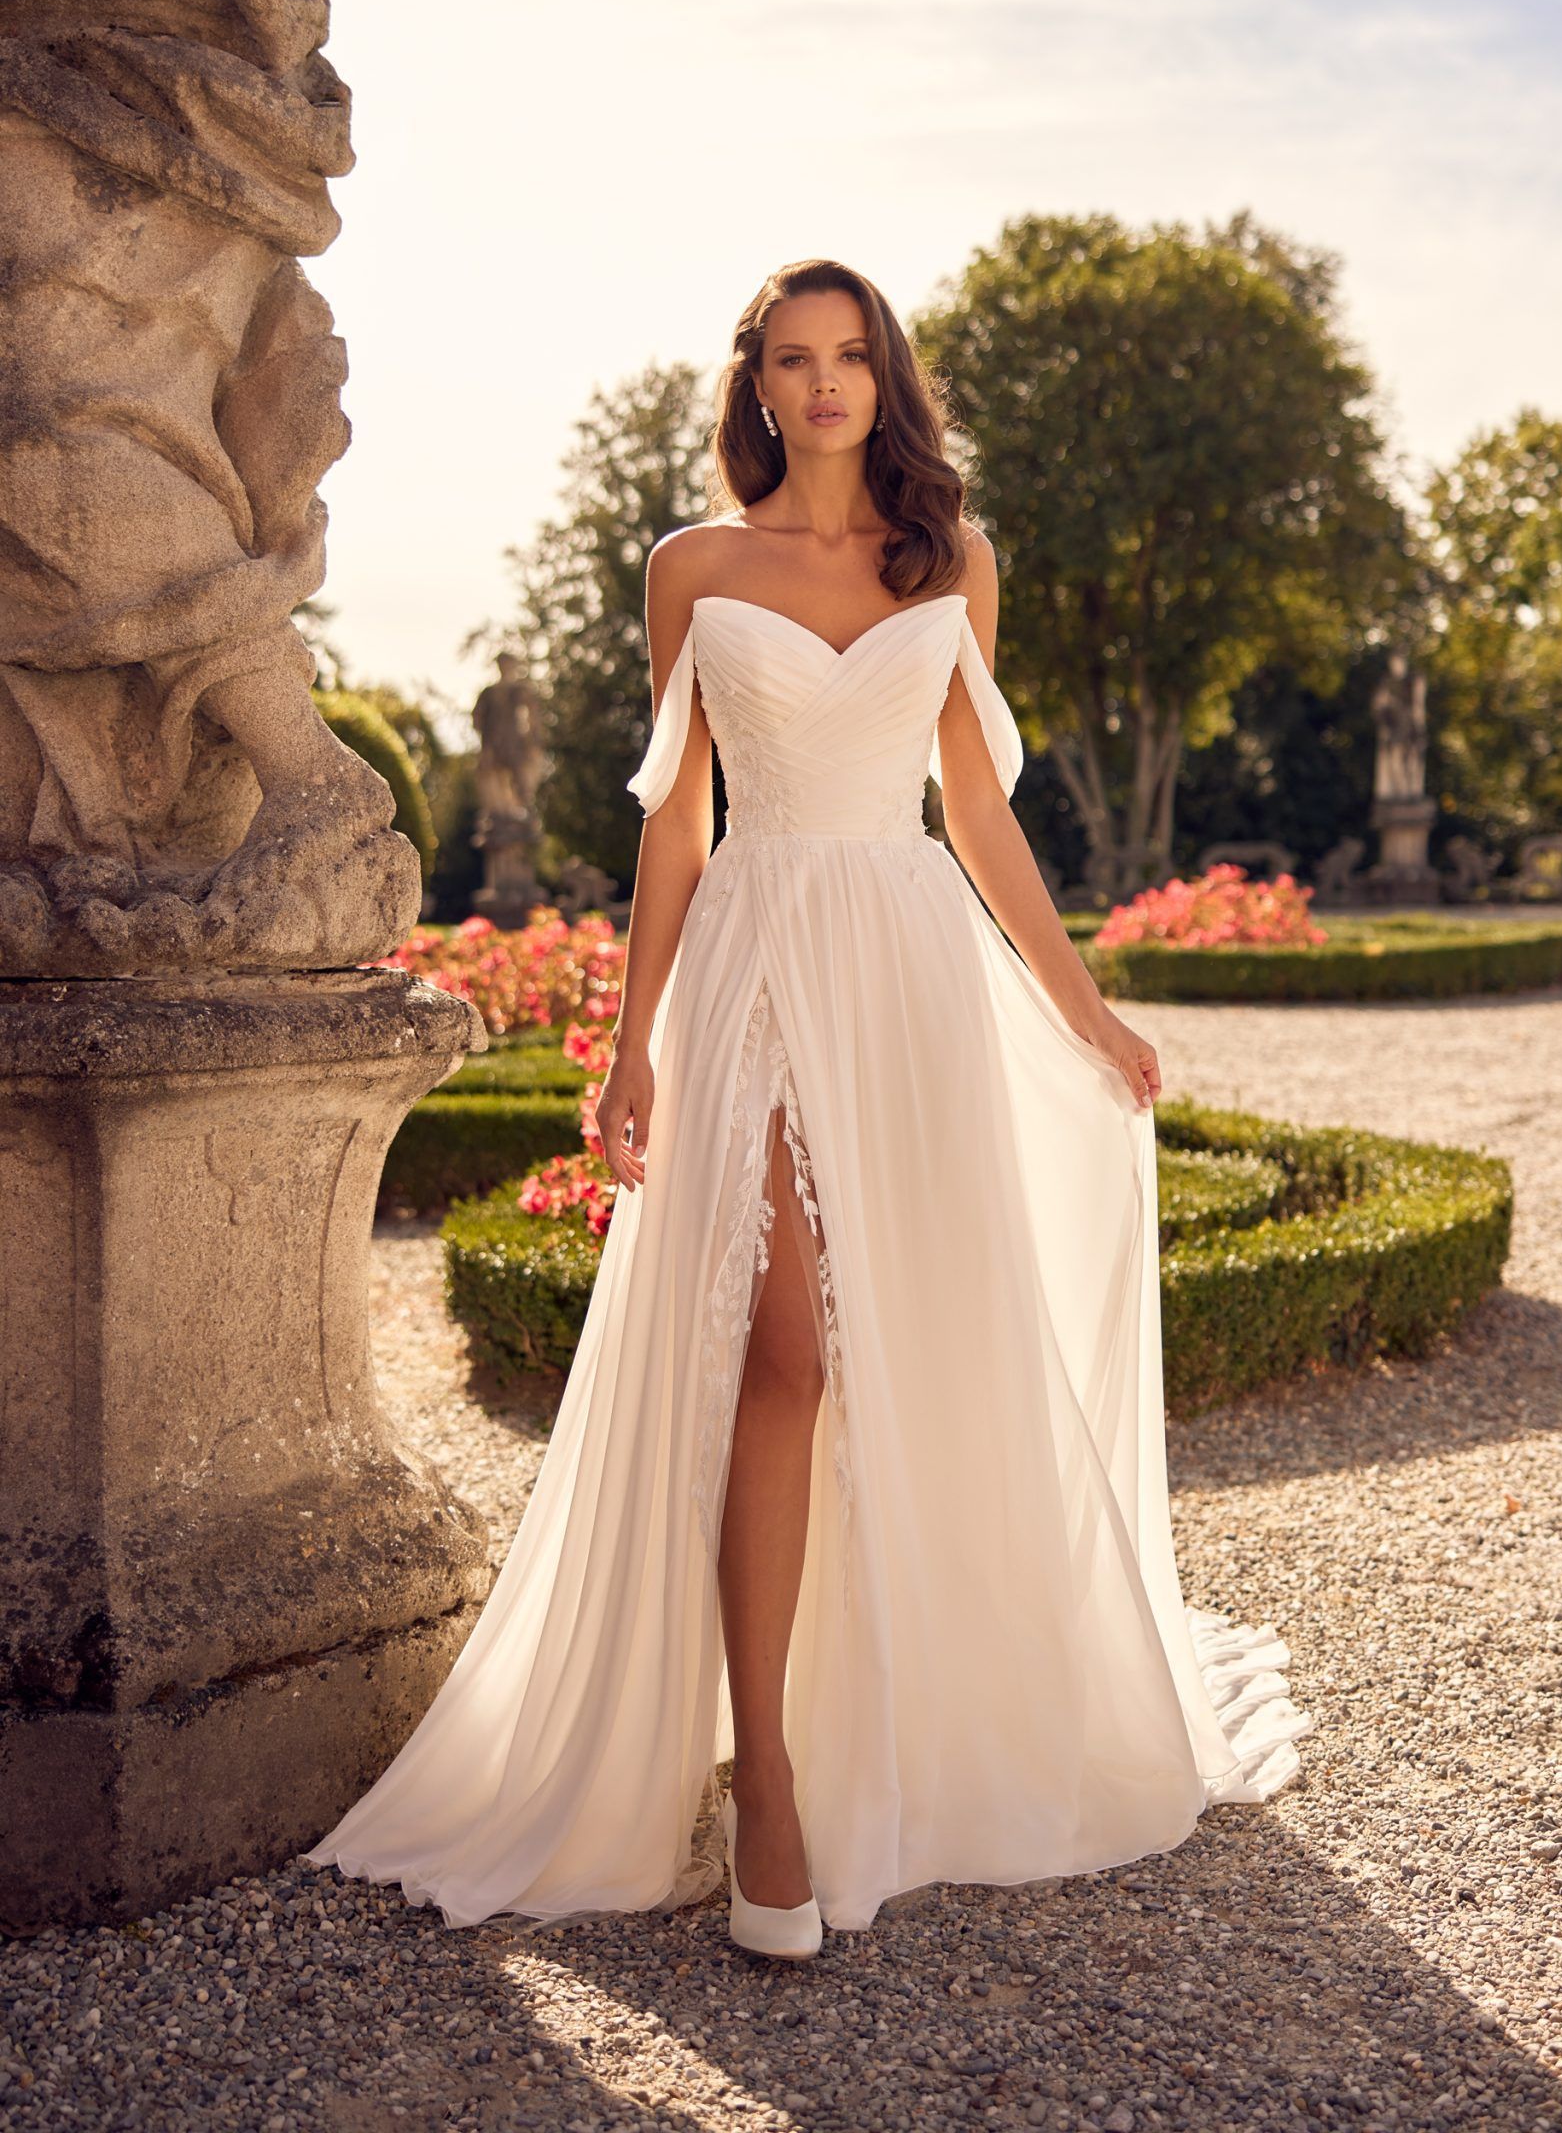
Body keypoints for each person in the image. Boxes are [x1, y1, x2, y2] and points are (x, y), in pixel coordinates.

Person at [309, 258, 1310, 1955]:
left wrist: (1083, 1010)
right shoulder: (690, 569)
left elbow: (976, 813)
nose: (828, 383)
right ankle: (761, 1772)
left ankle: (895, 1721)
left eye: (852, 356)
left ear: (883, 377)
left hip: (908, 967)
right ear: (756, 386)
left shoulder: (951, 560)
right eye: (795, 357)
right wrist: (630, 1049)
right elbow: (676, 819)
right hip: (765, 957)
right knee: (781, 1346)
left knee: (907, 1352)